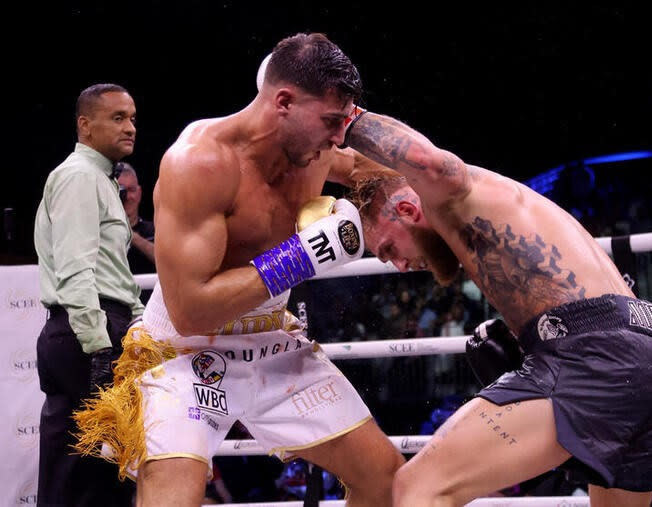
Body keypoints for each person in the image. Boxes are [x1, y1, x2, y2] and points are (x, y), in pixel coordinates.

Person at [74, 33, 404, 506]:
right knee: (172, 497)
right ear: (284, 102)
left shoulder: (316, 149)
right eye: (331, 121)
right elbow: (191, 310)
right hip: (182, 353)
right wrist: (303, 255)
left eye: (344, 122)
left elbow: (391, 173)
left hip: (272, 342)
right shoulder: (200, 163)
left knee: (388, 480)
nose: (338, 137)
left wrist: (389, 215)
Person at [344, 110, 652, 505]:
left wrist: (343, 118)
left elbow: (427, 162)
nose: (400, 266)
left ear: (406, 211)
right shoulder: (501, 198)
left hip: (591, 356)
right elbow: (361, 167)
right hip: (651, 355)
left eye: (389, 250)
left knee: (416, 488)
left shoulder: (451, 195)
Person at [33, 83, 142, 506]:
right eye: (118, 118)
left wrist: (137, 323)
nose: (130, 127)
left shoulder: (96, 178)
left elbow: (112, 271)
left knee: (74, 475)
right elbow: (76, 269)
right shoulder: (80, 178)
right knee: (97, 479)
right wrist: (99, 349)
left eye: (132, 118)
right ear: (85, 125)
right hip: (89, 331)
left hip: (88, 328)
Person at [117, 161, 156, 304]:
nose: (127, 197)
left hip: (149, 311)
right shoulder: (100, 234)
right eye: (122, 190)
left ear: (139, 193)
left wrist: (132, 236)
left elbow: (171, 263)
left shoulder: (156, 230)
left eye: (131, 190)